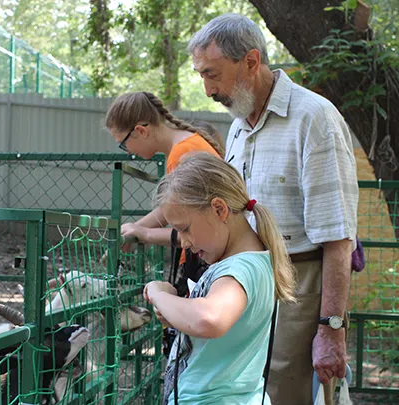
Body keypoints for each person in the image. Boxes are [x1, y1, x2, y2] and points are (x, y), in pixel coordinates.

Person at [186, 13, 359, 405]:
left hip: (300, 284)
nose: (207, 89)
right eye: (201, 75)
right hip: (249, 282)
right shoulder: (238, 125)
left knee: (287, 394)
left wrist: (331, 329)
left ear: (250, 61)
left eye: (212, 74)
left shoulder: (314, 119)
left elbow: (338, 238)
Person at [143, 151, 296, 405]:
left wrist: (158, 294)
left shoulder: (240, 268)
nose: (184, 243)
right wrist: (175, 310)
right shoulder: (245, 263)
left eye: (185, 228)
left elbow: (208, 319)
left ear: (219, 209)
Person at [105, 91, 224, 295]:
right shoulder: (183, 148)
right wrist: (134, 229)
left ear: (141, 131)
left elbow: (198, 229)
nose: (127, 151)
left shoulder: (184, 153)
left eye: (123, 143)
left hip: (206, 260)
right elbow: (172, 210)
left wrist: (146, 233)